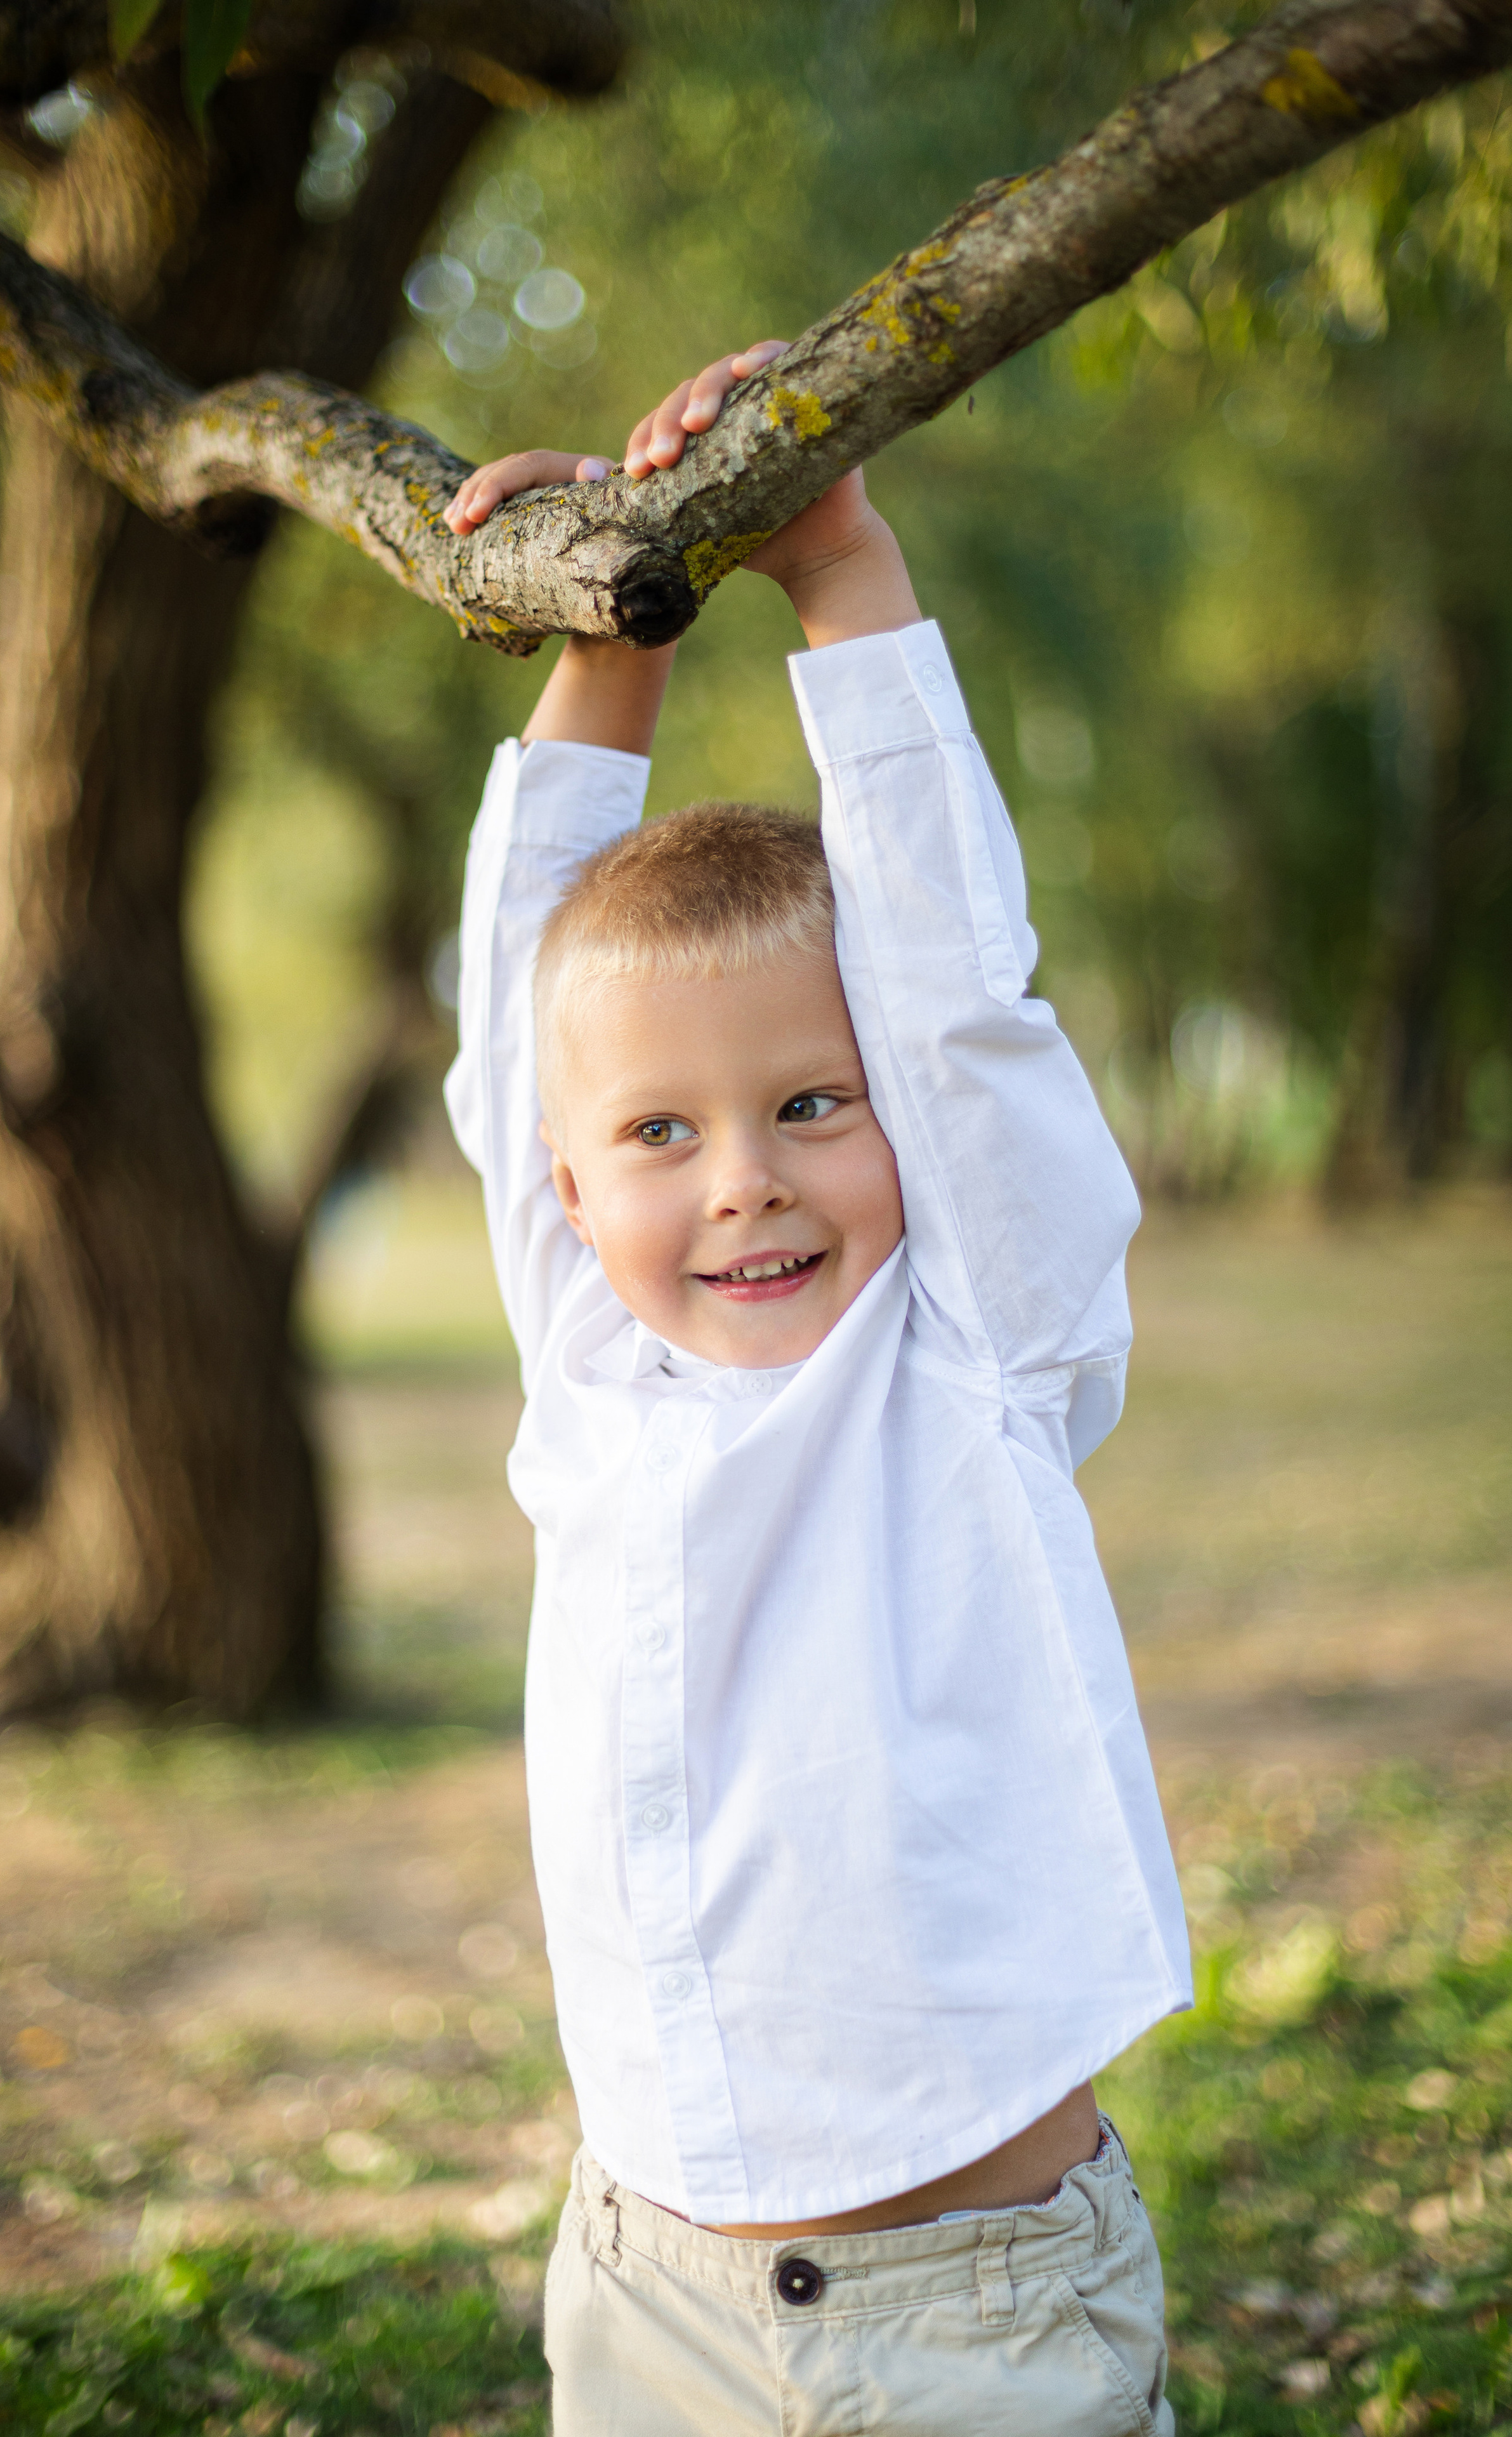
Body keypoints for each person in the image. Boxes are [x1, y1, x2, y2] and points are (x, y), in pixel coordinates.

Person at [440, 340, 1191, 2436]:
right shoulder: (588, 1360)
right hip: (643, 2288)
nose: (747, 1179)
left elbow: (960, 1001)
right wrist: (612, 625)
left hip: (972, 2309)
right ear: (577, 1191)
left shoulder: (976, 1359)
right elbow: (526, 1045)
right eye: (663, 1138)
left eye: (807, 1104)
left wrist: (839, 567)